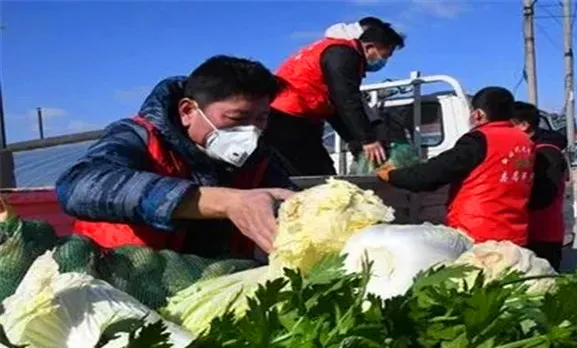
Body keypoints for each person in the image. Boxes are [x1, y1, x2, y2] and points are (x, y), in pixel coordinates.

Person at [56, 56, 297, 259]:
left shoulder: (259, 158)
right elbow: (77, 186)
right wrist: (227, 202)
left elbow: (288, 199)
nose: (250, 131)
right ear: (188, 112)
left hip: (214, 285)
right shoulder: (138, 136)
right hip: (121, 281)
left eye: (261, 119)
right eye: (236, 119)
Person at [375, 87, 534, 245]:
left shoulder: (479, 140)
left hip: (478, 235)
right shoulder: (526, 141)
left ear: (478, 114)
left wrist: (392, 175)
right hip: (515, 234)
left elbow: (431, 174)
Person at [265, 17, 405, 176]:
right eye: (386, 55)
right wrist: (368, 140)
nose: (385, 60)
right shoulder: (343, 54)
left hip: (301, 117)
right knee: (313, 175)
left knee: (320, 172)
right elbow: (345, 99)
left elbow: (335, 106)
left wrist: (358, 143)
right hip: (287, 117)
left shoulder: (335, 51)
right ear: (370, 46)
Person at [512, 101, 568, 270]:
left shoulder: (546, 152)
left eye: (508, 125)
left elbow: (545, 195)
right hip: (527, 231)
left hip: (542, 234)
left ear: (524, 125)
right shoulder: (529, 149)